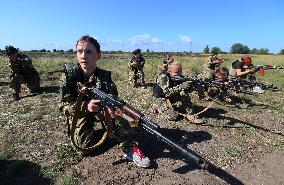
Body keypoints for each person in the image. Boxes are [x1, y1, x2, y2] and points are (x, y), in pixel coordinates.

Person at [59, 35, 150, 168]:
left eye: (89, 51)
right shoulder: (69, 75)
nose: (83, 55)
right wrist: (86, 107)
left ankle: (129, 145)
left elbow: (115, 102)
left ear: (98, 55)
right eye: (79, 51)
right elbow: (63, 106)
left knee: (122, 113)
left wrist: (119, 114)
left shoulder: (105, 78)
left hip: (102, 111)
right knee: (84, 148)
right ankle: (95, 128)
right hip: (80, 113)